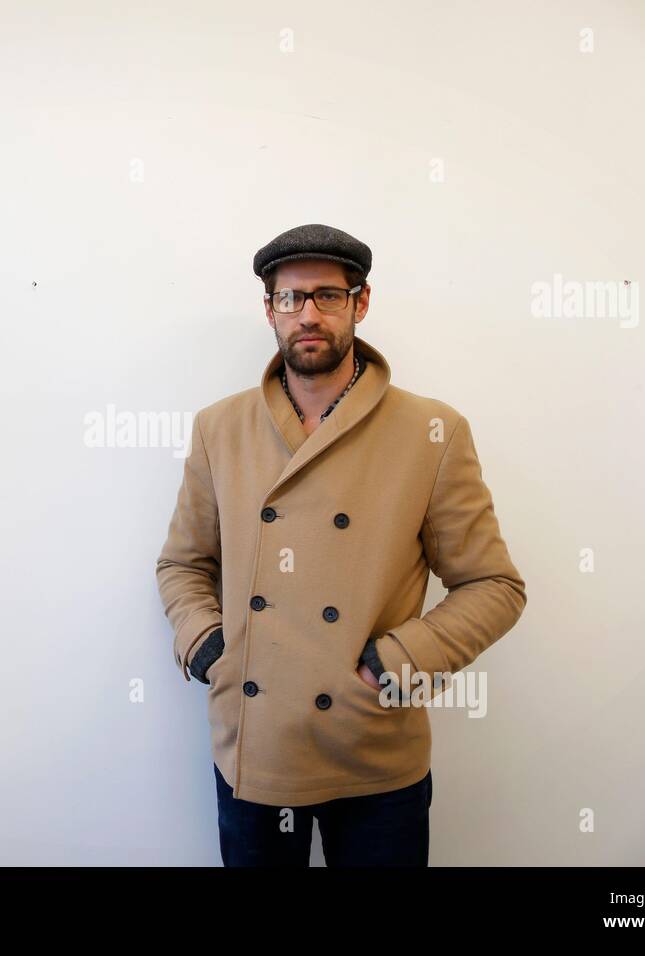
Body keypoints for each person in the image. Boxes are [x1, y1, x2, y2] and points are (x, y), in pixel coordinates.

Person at [154, 223, 527, 866]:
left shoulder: (431, 431)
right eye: (290, 298)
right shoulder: (221, 427)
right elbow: (182, 564)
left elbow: (494, 585)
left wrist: (397, 664)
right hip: (256, 746)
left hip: (372, 750)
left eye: (328, 295)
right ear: (269, 309)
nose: (308, 314)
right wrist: (210, 647)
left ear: (362, 302)